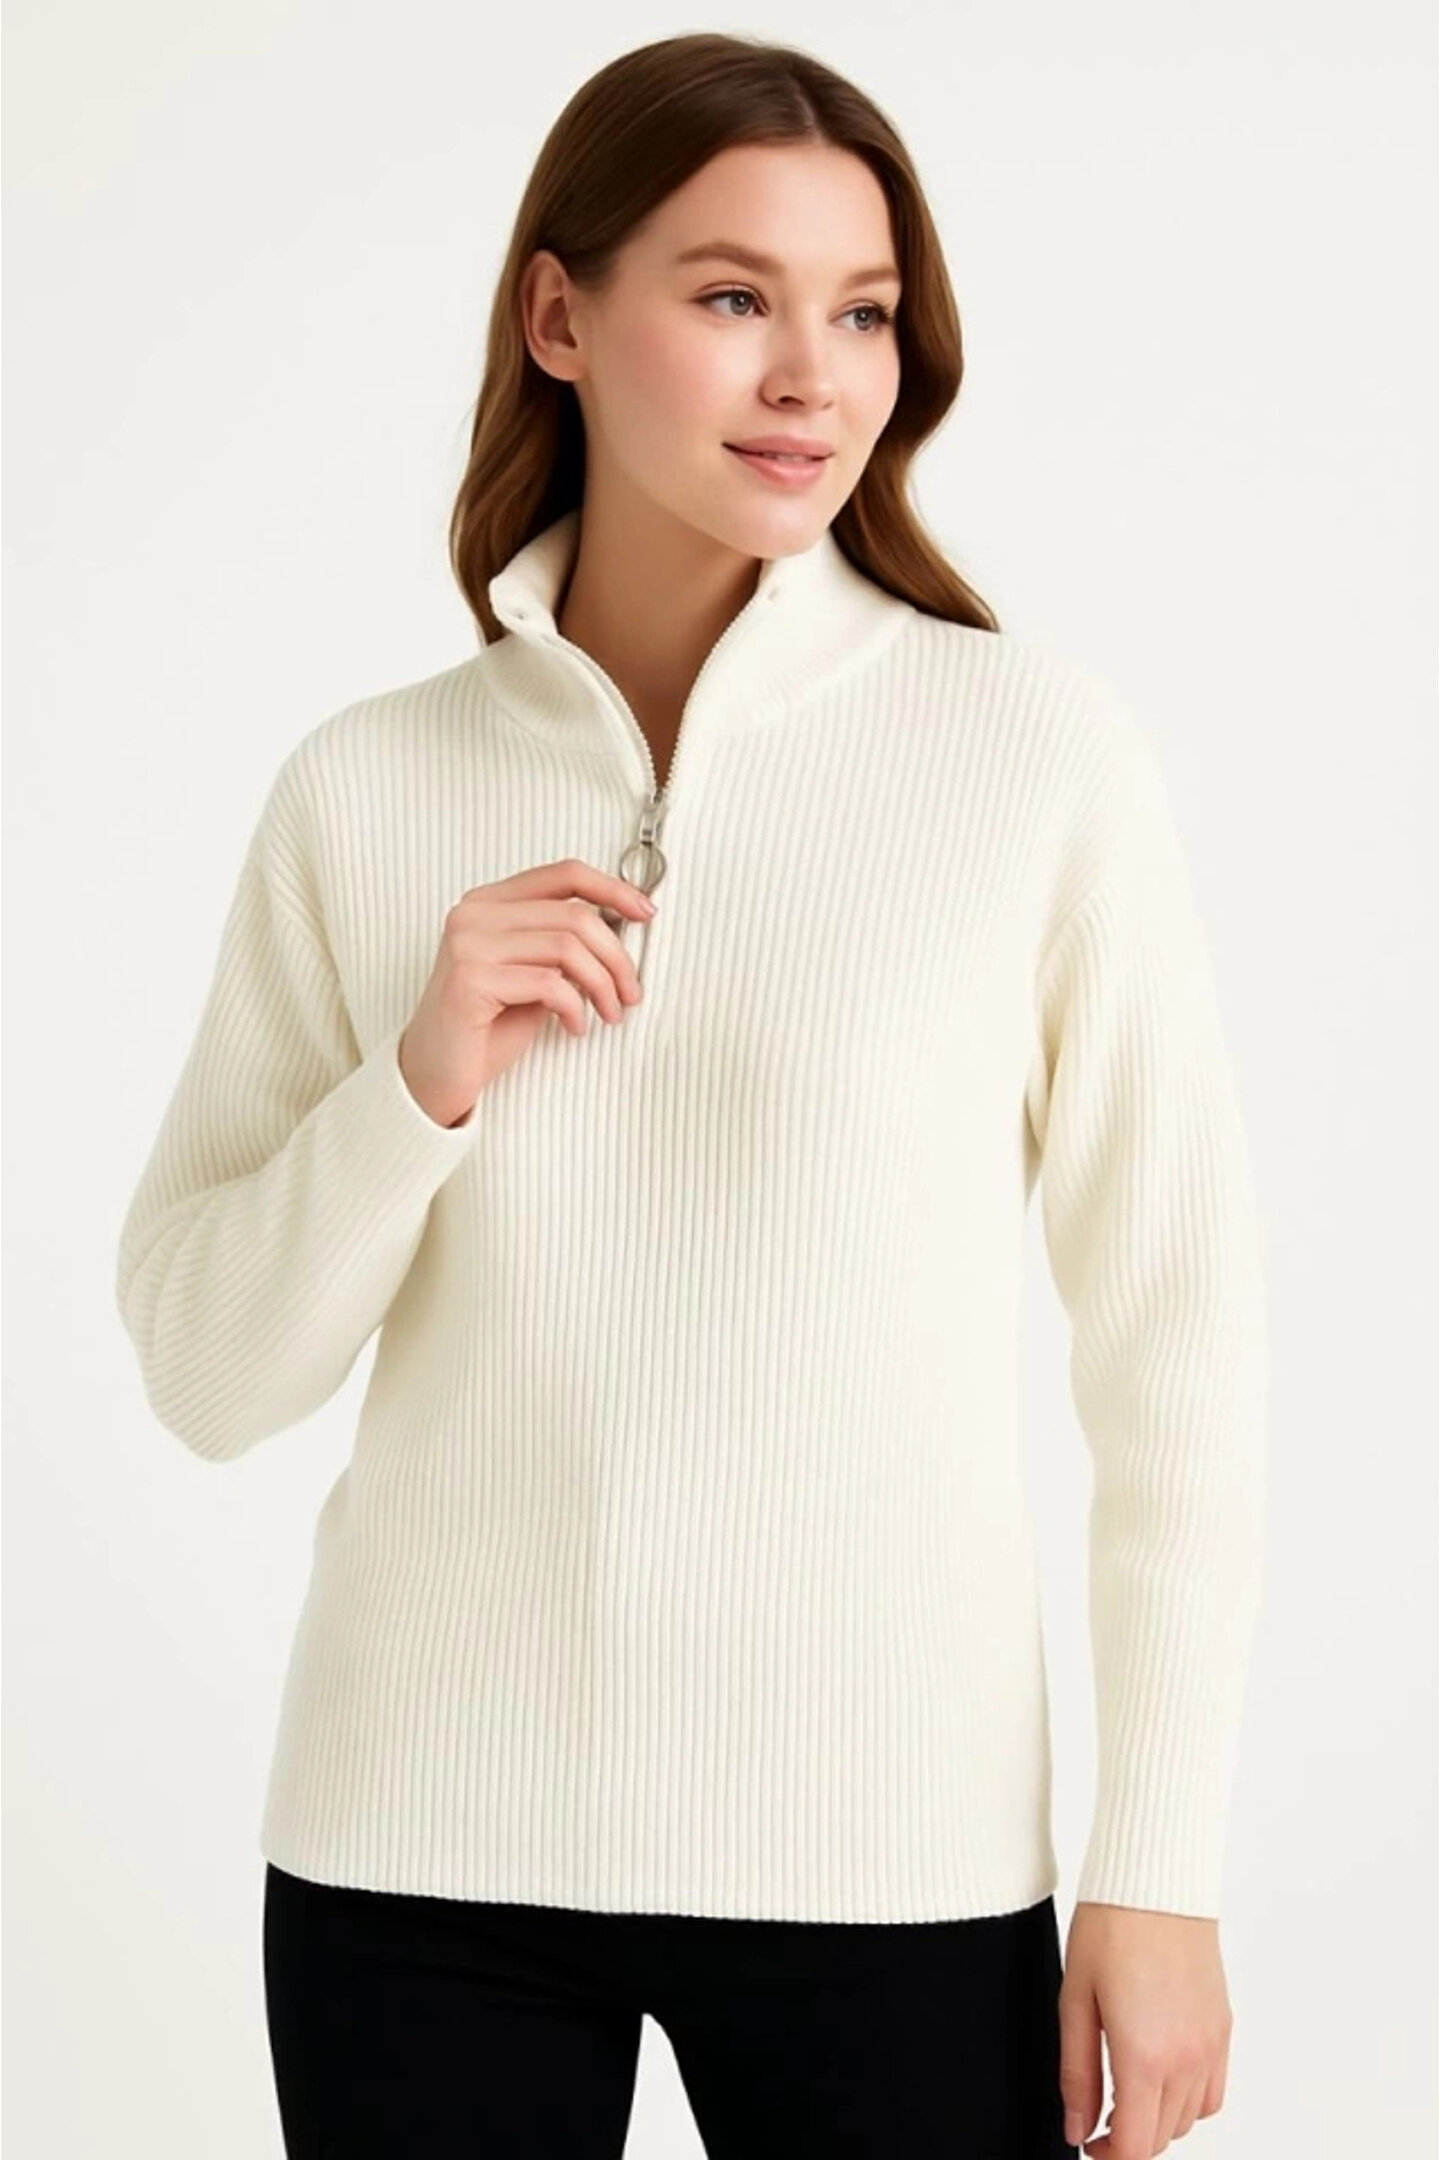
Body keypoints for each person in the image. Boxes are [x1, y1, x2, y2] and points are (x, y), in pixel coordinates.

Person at [114, 31, 1268, 2160]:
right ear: (559, 317)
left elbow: (1174, 1348)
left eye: (864, 313)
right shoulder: (365, 787)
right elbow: (202, 1368)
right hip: (416, 1854)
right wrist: (419, 1085)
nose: (812, 376)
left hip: (889, 1856)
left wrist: (1162, 1864)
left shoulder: (1031, 759)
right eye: (736, 296)